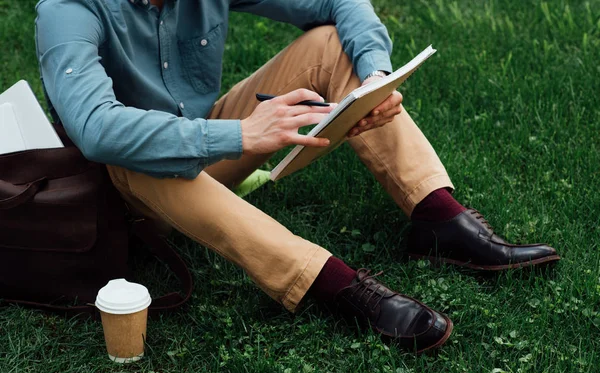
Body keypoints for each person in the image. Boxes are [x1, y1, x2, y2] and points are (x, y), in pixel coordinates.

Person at [35, 0, 560, 354]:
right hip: (126, 192)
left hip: (203, 146)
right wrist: (242, 136)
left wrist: (373, 78)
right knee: (137, 153)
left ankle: (438, 218)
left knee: (331, 43)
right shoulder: (66, 10)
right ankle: (332, 282)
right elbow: (98, 128)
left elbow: (337, 1)